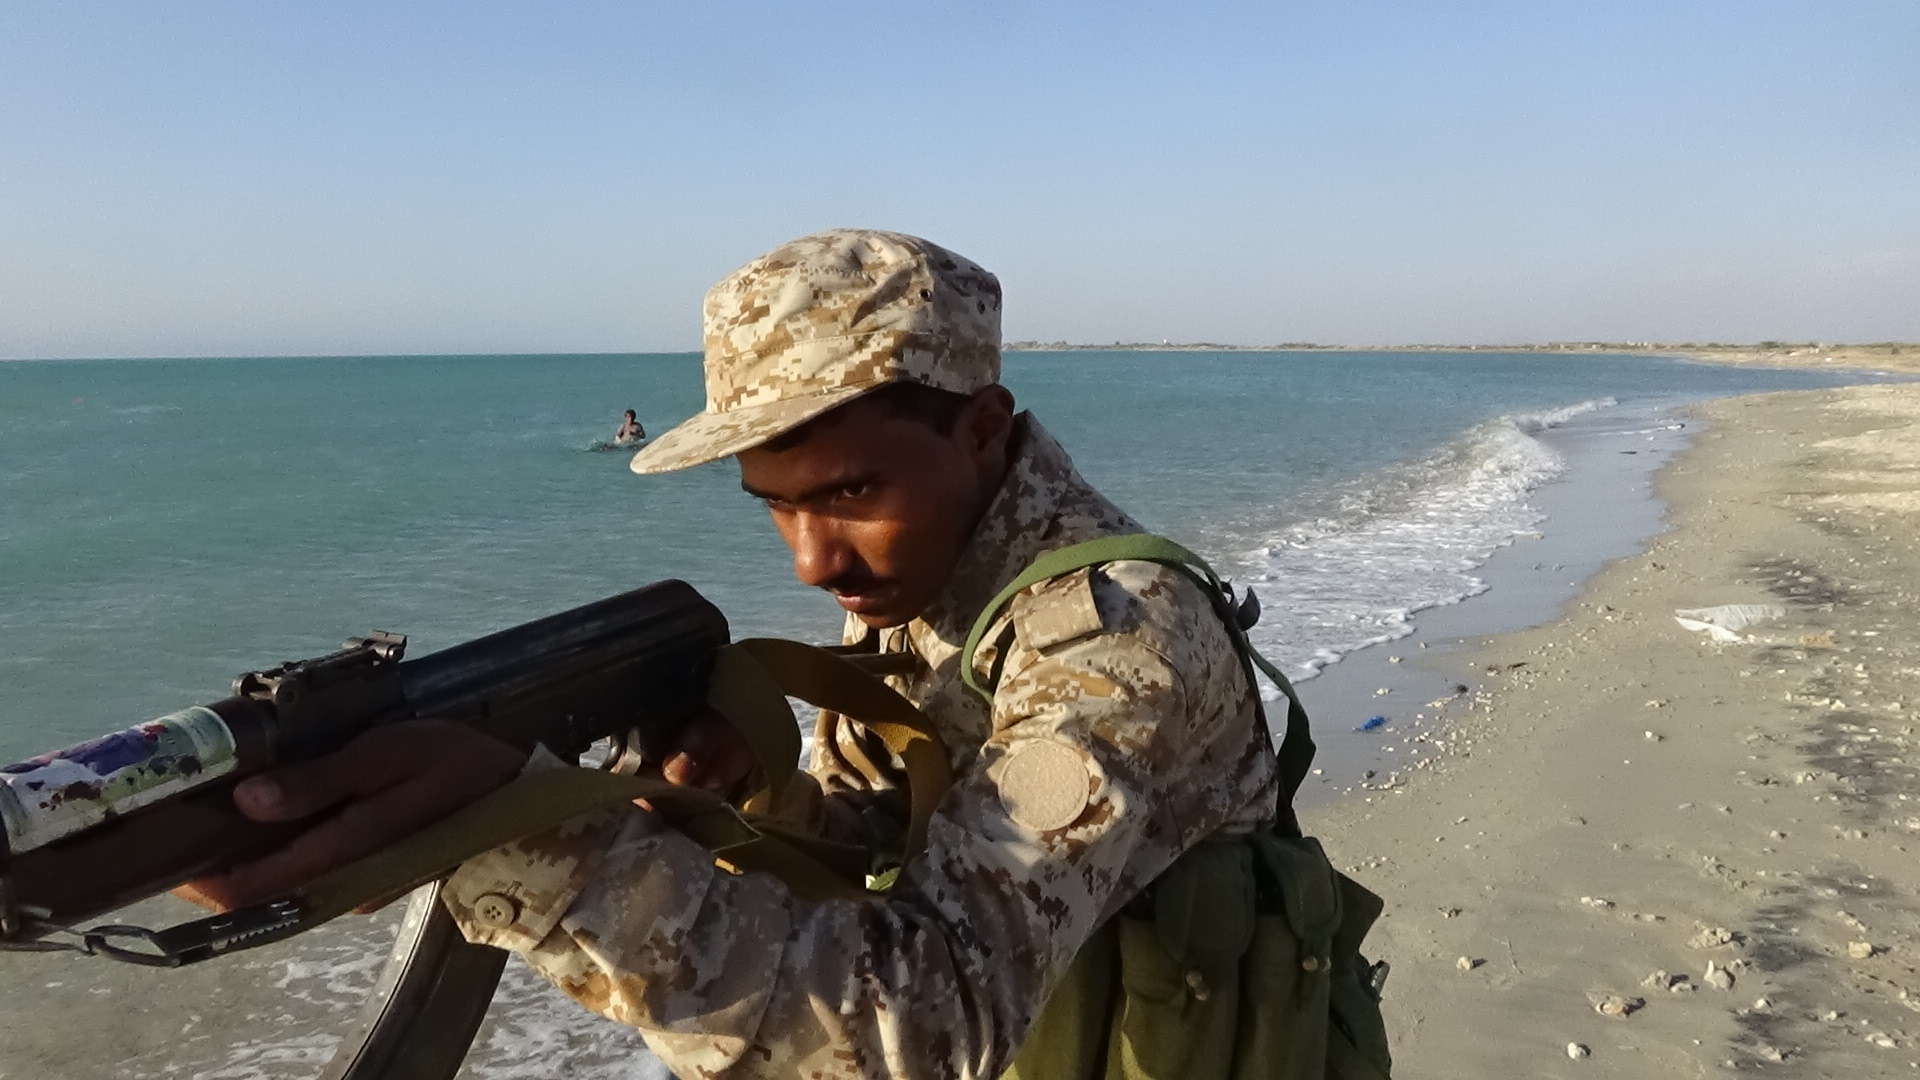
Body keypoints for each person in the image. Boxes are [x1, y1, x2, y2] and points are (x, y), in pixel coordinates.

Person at [183, 230, 1287, 1078]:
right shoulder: (924, 569)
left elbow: (930, 1029)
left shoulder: (1114, 639)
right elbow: (883, 846)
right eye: (776, 505)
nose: (813, 562)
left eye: (851, 492)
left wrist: (523, 834)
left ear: (983, 427)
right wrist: (754, 796)